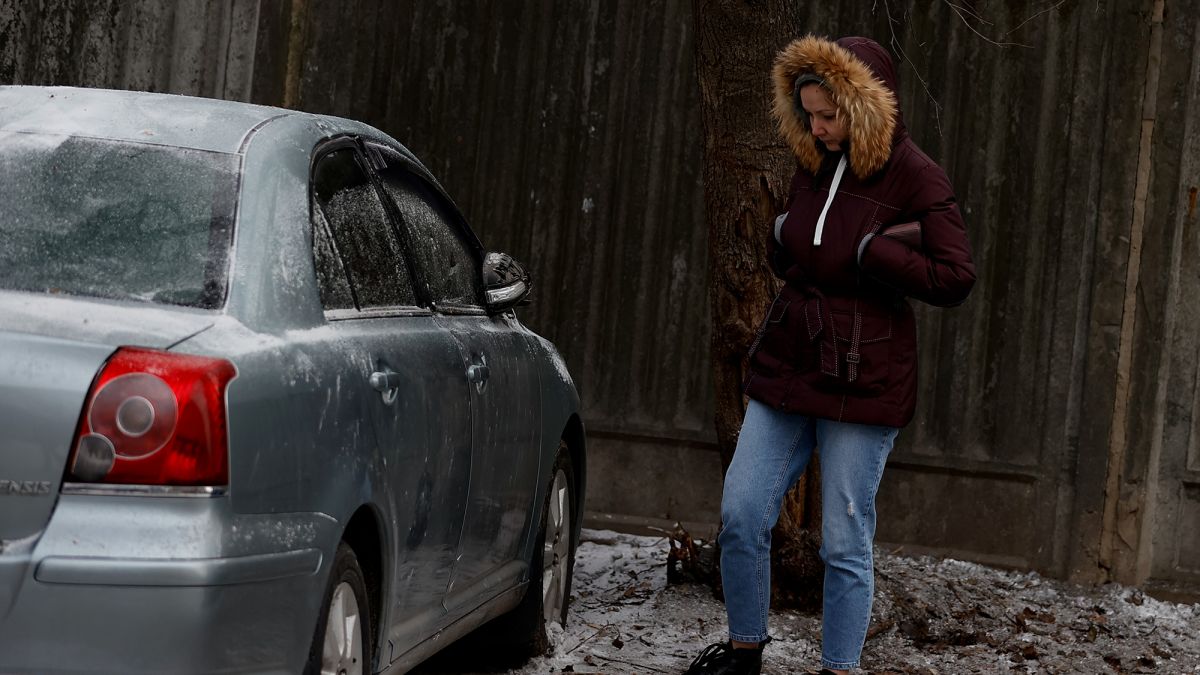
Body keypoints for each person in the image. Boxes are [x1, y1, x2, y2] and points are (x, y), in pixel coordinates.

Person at [684, 35, 976, 675]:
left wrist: (879, 255)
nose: (816, 128)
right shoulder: (816, 158)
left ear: (865, 106)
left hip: (865, 377)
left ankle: (839, 669)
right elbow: (804, 244)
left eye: (829, 115)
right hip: (792, 360)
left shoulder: (918, 175)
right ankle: (743, 652)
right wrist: (782, 237)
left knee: (844, 539)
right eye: (809, 115)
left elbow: (956, 275)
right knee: (740, 514)